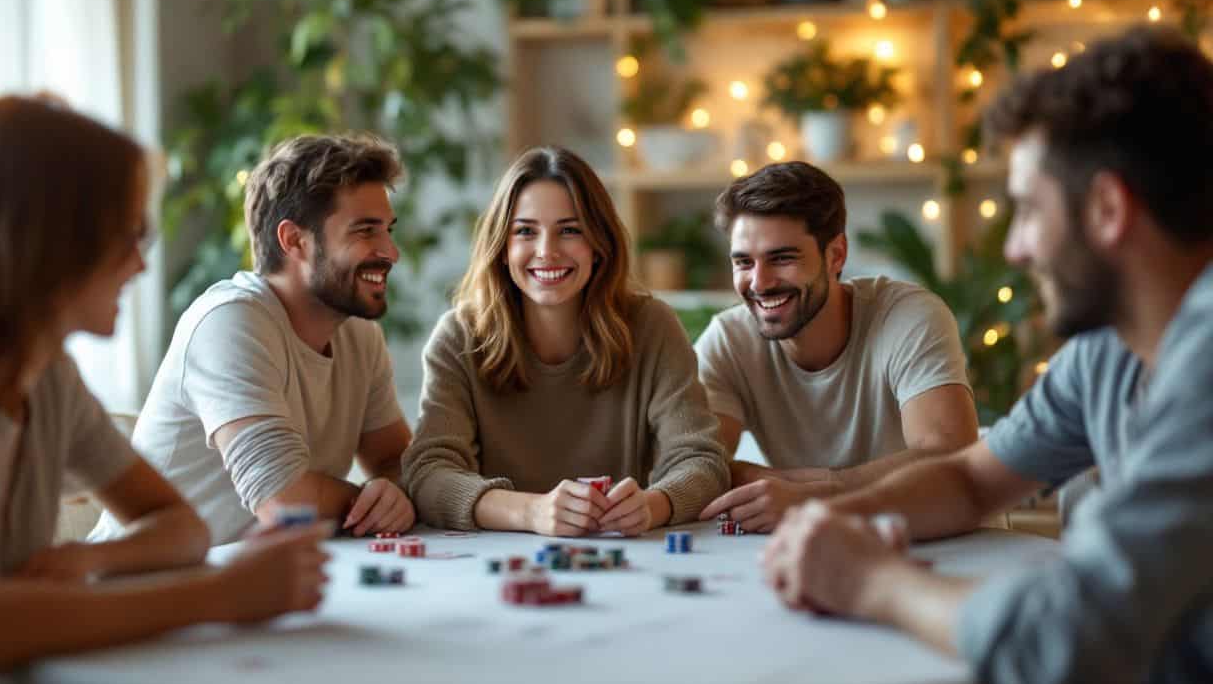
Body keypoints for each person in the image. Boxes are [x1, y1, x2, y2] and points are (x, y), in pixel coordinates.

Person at [762, 27, 1213, 684]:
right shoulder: (1106, 351)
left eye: (1029, 210)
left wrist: (871, 580)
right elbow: (972, 479)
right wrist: (834, 527)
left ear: (1106, 209)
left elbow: (1065, 640)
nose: (1016, 247)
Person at [0, 96, 329, 684]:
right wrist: (221, 596)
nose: (141, 263)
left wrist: (87, 565)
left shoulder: (45, 375)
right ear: (49, 241)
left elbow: (182, 527)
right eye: (129, 236)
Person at [88, 134, 415, 545]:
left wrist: (394, 488)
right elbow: (283, 501)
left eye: (388, 230)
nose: (391, 251)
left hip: (245, 582)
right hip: (137, 589)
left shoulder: (359, 333)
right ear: (294, 240)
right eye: (366, 231)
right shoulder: (229, 321)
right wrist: (375, 502)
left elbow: (394, 460)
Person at [402, 146, 727, 536]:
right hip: (494, 565)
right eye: (525, 231)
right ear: (502, 248)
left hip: (624, 558)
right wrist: (531, 513)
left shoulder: (652, 326)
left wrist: (654, 505)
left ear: (598, 245)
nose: (547, 251)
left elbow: (702, 459)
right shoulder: (458, 337)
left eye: (570, 230)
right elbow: (428, 474)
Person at [694, 161, 978, 532]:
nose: (759, 283)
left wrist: (810, 493)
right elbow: (698, 464)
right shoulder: (729, 339)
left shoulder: (908, 316)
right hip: (822, 547)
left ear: (836, 255)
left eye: (782, 258)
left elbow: (949, 457)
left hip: (942, 539)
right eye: (744, 262)